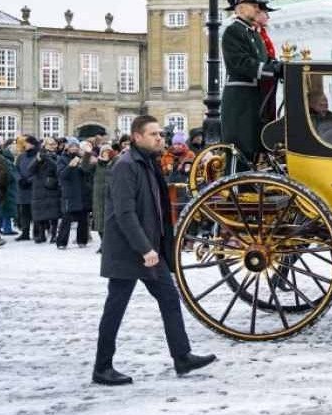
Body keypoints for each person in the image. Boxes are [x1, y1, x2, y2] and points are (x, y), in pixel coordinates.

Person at [93, 115, 216, 385]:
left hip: (149, 250)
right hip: (130, 251)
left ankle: (182, 356)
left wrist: (157, 247)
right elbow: (124, 214)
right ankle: (102, 367)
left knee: (170, 299)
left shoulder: (147, 162)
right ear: (137, 137)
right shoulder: (125, 166)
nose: (160, 138)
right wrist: (145, 248)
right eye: (154, 134)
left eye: (161, 134)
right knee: (115, 308)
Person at [221, 0, 281, 164]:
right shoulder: (233, 31)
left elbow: (263, 60)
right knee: (241, 146)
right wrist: (270, 70)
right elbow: (241, 63)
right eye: (253, 4)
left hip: (254, 98)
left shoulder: (251, 33)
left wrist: (277, 66)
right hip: (241, 99)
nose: (257, 8)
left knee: (254, 144)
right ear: (239, 7)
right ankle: (238, 187)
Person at [57, 141, 92, 249]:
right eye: (72, 146)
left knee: (83, 218)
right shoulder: (62, 159)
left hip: (82, 192)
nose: (74, 149)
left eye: (76, 147)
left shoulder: (82, 158)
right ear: (67, 148)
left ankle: (82, 240)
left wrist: (86, 156)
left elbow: (87, 171)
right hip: (70, 192)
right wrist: (70, 166)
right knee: (66, 219)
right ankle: (62, 242)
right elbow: (62, 175)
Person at [29, 137, 63, 244]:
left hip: (52, 187)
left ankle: (53, 234)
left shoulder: (58, 157)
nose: (52, 146)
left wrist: (47, 158)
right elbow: (30, 170)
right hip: (39, 187)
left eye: (54, 144)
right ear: (45, 145)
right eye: (49, 144)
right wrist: (38, 160)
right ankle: (41, 234)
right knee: (41, 213)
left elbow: (57, 168)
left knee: (54, 214)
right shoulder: (39, 156)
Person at [15, 135, 39, 241]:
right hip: (23, 187)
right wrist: (20, 179)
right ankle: (25, 232)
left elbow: (40, 171)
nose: (25, 145)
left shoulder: (38, 156)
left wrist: (30, 180)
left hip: (34, 187)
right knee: (24, 211)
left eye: (27, 143)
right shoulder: (21, 156)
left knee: (35, 211)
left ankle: (37, 232)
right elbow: (15, 170)